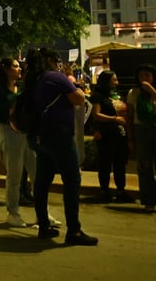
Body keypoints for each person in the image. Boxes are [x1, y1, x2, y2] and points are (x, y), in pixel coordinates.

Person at [25, 47, 98, 246]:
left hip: (38, 136)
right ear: (49, 60)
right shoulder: (55, 77)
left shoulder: (33, 79)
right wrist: (78, 88)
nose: (59, 63)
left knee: (42, 180)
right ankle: (74, 230)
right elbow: (78, 99)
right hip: (58, 136)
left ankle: (43, 226)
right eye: (57, 59)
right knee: (72, 180)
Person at [0, 57, 36, 227]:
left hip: (26, 132)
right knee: (14, 175)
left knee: (36, 172)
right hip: (9, 132)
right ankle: (13, 213)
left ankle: (42, 213)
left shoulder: (21, 87)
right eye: (15, 66)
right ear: (6, 69)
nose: (19, 69)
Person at [125, 63, 156, 213]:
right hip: (141, 130)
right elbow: (130, 115)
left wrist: (152, 91)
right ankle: (148, 201)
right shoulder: (133, 92)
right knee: (144, 167)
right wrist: (131, 137)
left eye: (147, 75)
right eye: (141, 76)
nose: (143, 78)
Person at [90, 70, 133, 203]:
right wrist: (114, 119)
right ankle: (105, 190)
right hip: (106, 134)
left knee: (120, 163)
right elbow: (96, 114)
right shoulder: (99, 96)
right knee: (105, 163)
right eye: (114, 80)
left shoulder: (117, 96)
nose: (117, 82)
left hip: (120, 134)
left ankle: (121, 190)